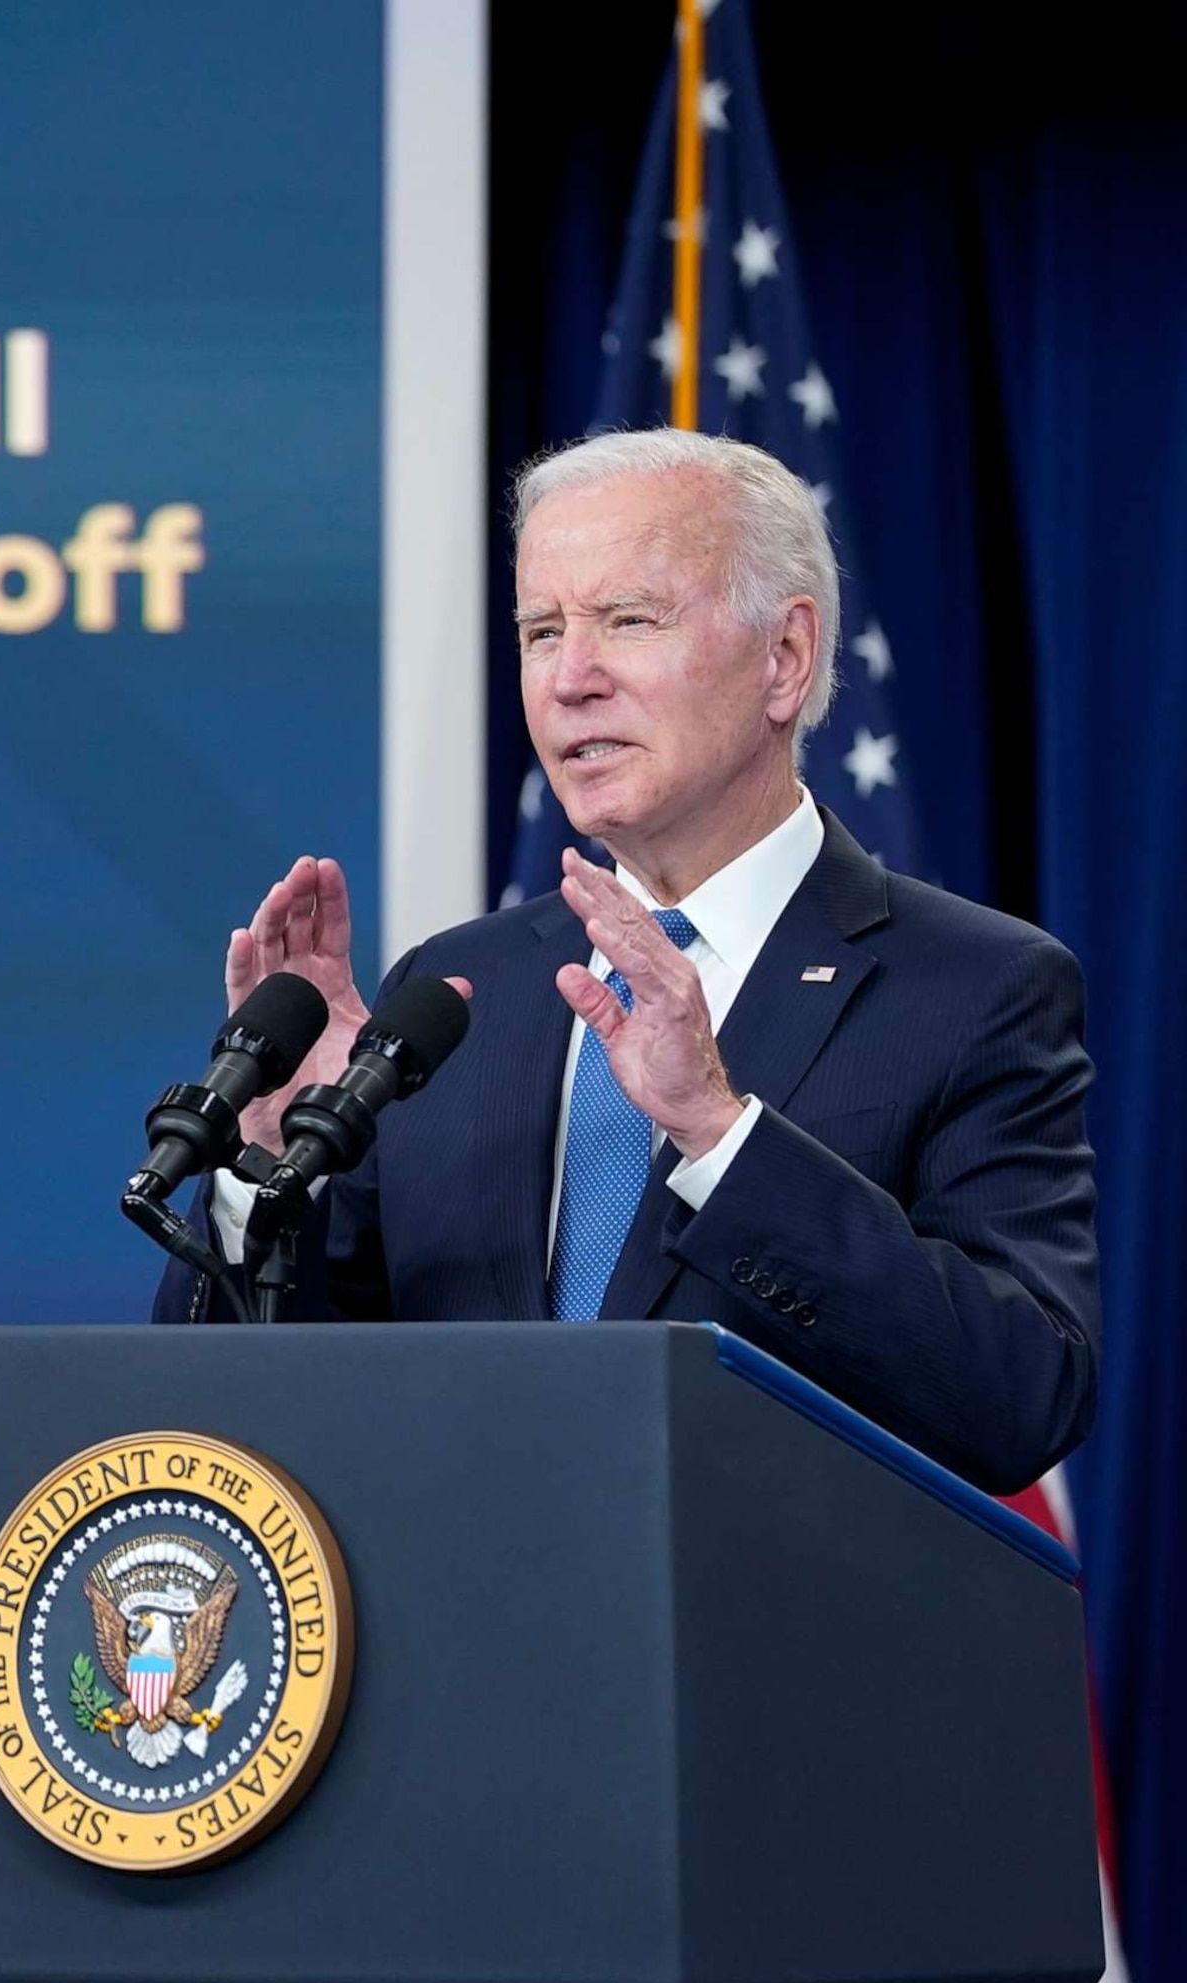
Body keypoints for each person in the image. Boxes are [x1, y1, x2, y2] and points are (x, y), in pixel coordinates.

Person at [153, 428, 1097, 1495]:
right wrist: (267, 1169)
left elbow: (1023, 1396)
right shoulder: (457, 994)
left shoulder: (973, 987)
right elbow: (252, 1410)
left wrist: (721, 1136)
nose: (570, 679)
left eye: (628, 621)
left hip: (760, 1646)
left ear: (784, 658)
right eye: (541, 630)